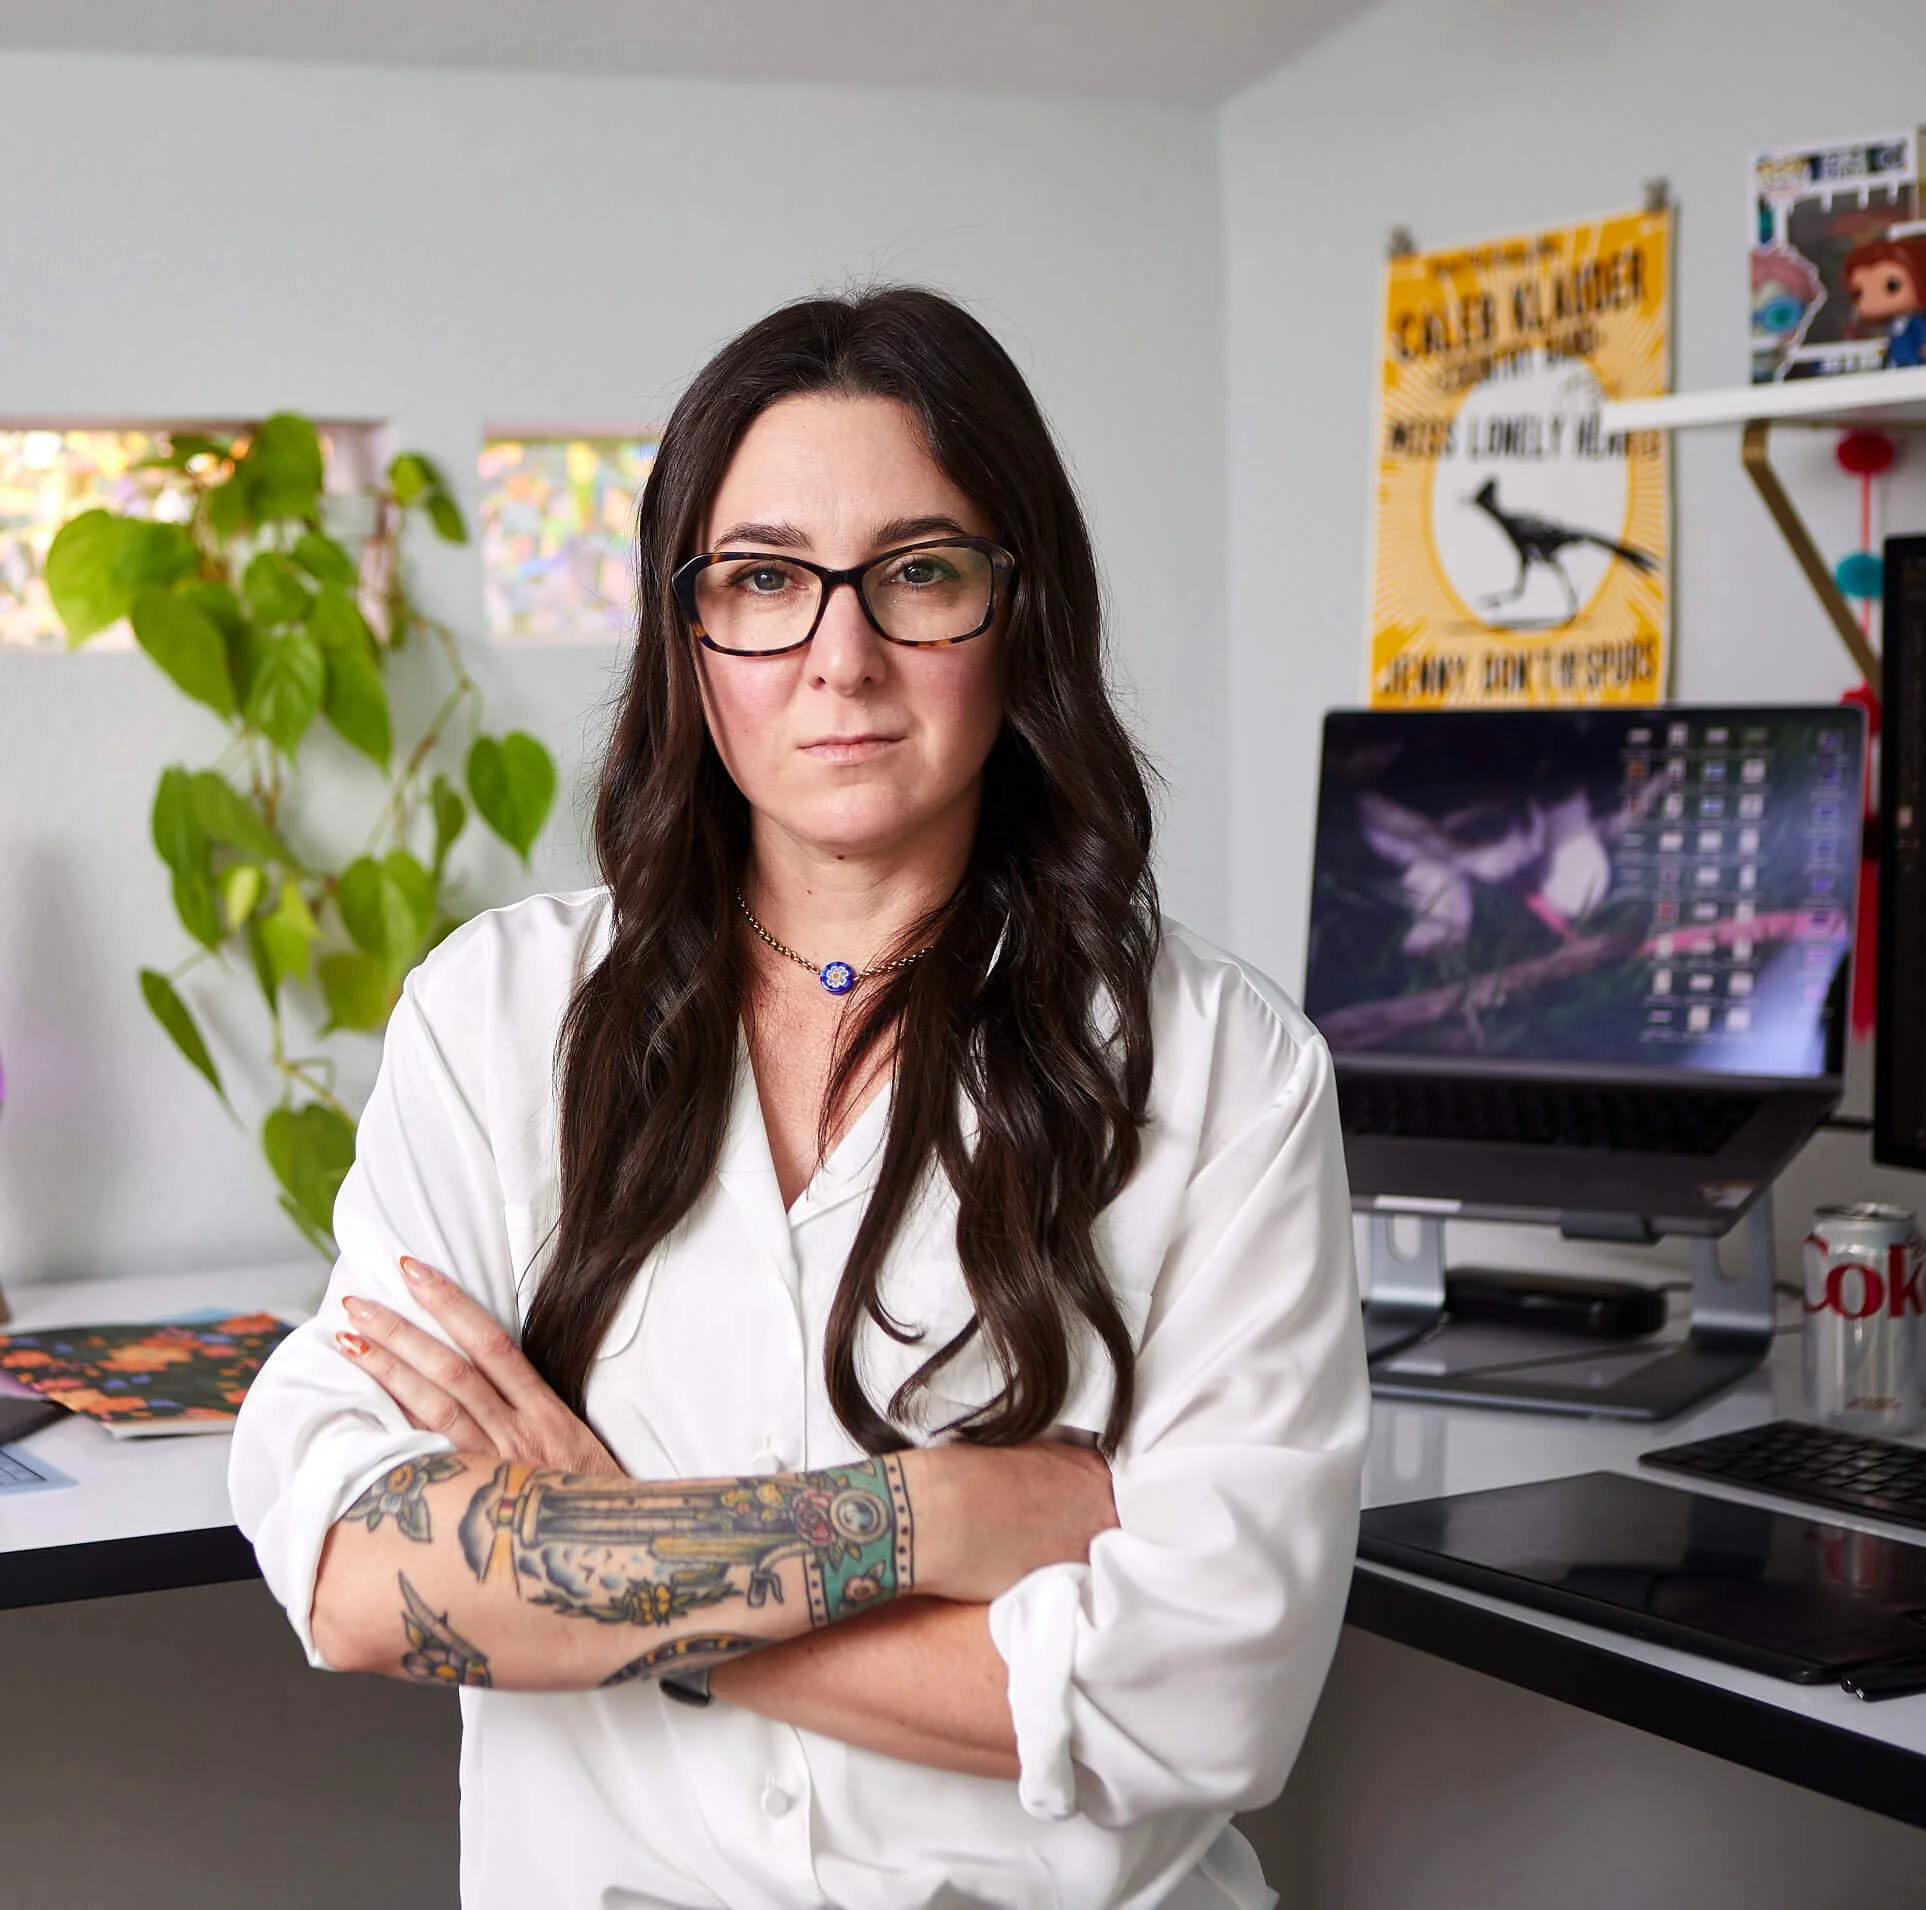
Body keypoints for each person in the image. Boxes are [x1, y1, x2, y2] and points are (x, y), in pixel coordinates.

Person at [230, 285, 1368, 1910]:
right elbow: (355, 1570)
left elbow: (1211, 1693)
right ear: (687, 636)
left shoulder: (1223, 1068)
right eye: (763, 579)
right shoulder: (494, 1021)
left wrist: (609, 1563)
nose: (841, 656)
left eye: (919, 572)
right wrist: (925, 1516)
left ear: (1020, 612)